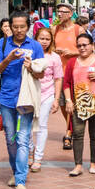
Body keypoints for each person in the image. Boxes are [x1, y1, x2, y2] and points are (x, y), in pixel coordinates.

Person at [0, 9, 45, 189]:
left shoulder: (36, 46)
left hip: (27, 99)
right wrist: (9, 58)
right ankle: (15, 171)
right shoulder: (2, 43)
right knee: (10, 138)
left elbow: (42, 74)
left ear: (28, 27)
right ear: (10, 27)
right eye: (15, 27)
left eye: (22, 27)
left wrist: (31, 67)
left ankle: (21, 179)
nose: (19, 30)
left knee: (22, 139)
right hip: (7, 98)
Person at [62, 32, 95, 177]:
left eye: (85, 45)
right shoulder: (72, 62)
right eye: (79, 45)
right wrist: (68, 100)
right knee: (77, 135)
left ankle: (93, 163)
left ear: (92, 46)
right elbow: (66, 83)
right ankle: (78, 165)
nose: (82, 48)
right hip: (78, 104)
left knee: (94, 135)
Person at [29, 25, 62, 171]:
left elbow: (58, 78)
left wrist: (56, 99)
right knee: (27, 125)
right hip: (30, 94)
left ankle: (38, 158)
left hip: (47, 94)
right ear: (36, 38)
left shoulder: (55, 57)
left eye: (47, 39)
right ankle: (30, 151)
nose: (44, 42)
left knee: (42, 125)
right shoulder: (29, 54)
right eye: (41, 38)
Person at [53, 3, 80, 148]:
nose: (59, 14)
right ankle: (71, 127)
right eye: (58, 11)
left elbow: (90, 49)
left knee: (72, 103)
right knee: (63, 104)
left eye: (63, 12)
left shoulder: (77, 29)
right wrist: (55, 50)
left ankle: (69, 132)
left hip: (75, 71)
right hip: (59, 72)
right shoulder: (55, 29)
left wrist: (73, 53)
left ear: (70, 14)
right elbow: (50, 46)